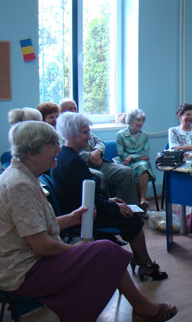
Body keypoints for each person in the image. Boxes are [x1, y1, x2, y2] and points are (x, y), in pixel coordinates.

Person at [0, 121, 176, 322]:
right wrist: (77, 251)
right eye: (52, 145)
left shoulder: (24, 177)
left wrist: (71, 218)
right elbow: (41, 246)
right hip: (21, 272)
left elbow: (38, 227)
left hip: (30, 262)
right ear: (32, 151)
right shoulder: (20, 185)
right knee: (102, 253)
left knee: (100, 259)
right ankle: (138, 310)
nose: (58, 151)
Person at [51, 112, 167, 281]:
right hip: (83, 214)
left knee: (127, 212)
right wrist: (113, 206)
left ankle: (140, 260)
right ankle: (146, 265)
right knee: (132, 219)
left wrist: (109, 200)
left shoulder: (63, 156)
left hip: (82, 207)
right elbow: (86, 201)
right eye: (84, 132)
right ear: (71, 134)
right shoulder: (73, 162)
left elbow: (84, 194)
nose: (89, 136)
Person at [60, 99, 139, 205]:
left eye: (75, 108)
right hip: (85, 164)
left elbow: (100, 142)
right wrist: (90, 157)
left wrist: (97, 151)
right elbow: (67, 150)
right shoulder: (63, 130)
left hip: (99, 161)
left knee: (126, 171)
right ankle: (105, 206)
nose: (74, 110)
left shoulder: (82, 124)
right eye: (70, 109)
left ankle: (132, 208)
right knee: (98, 176)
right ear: (62, 112)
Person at [116, 109, 155, 211]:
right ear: (131, 120)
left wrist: (131, 156)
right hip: (125, 163)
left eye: (142, 121)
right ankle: (141, 202)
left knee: (143, 166)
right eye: (138, 120)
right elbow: (121, 153)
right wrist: (134, 157)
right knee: (142, 167)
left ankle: (141, 200)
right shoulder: (120, 134)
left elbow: (145, 154)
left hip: (139, 163)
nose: (141, 123)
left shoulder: (145, 135)